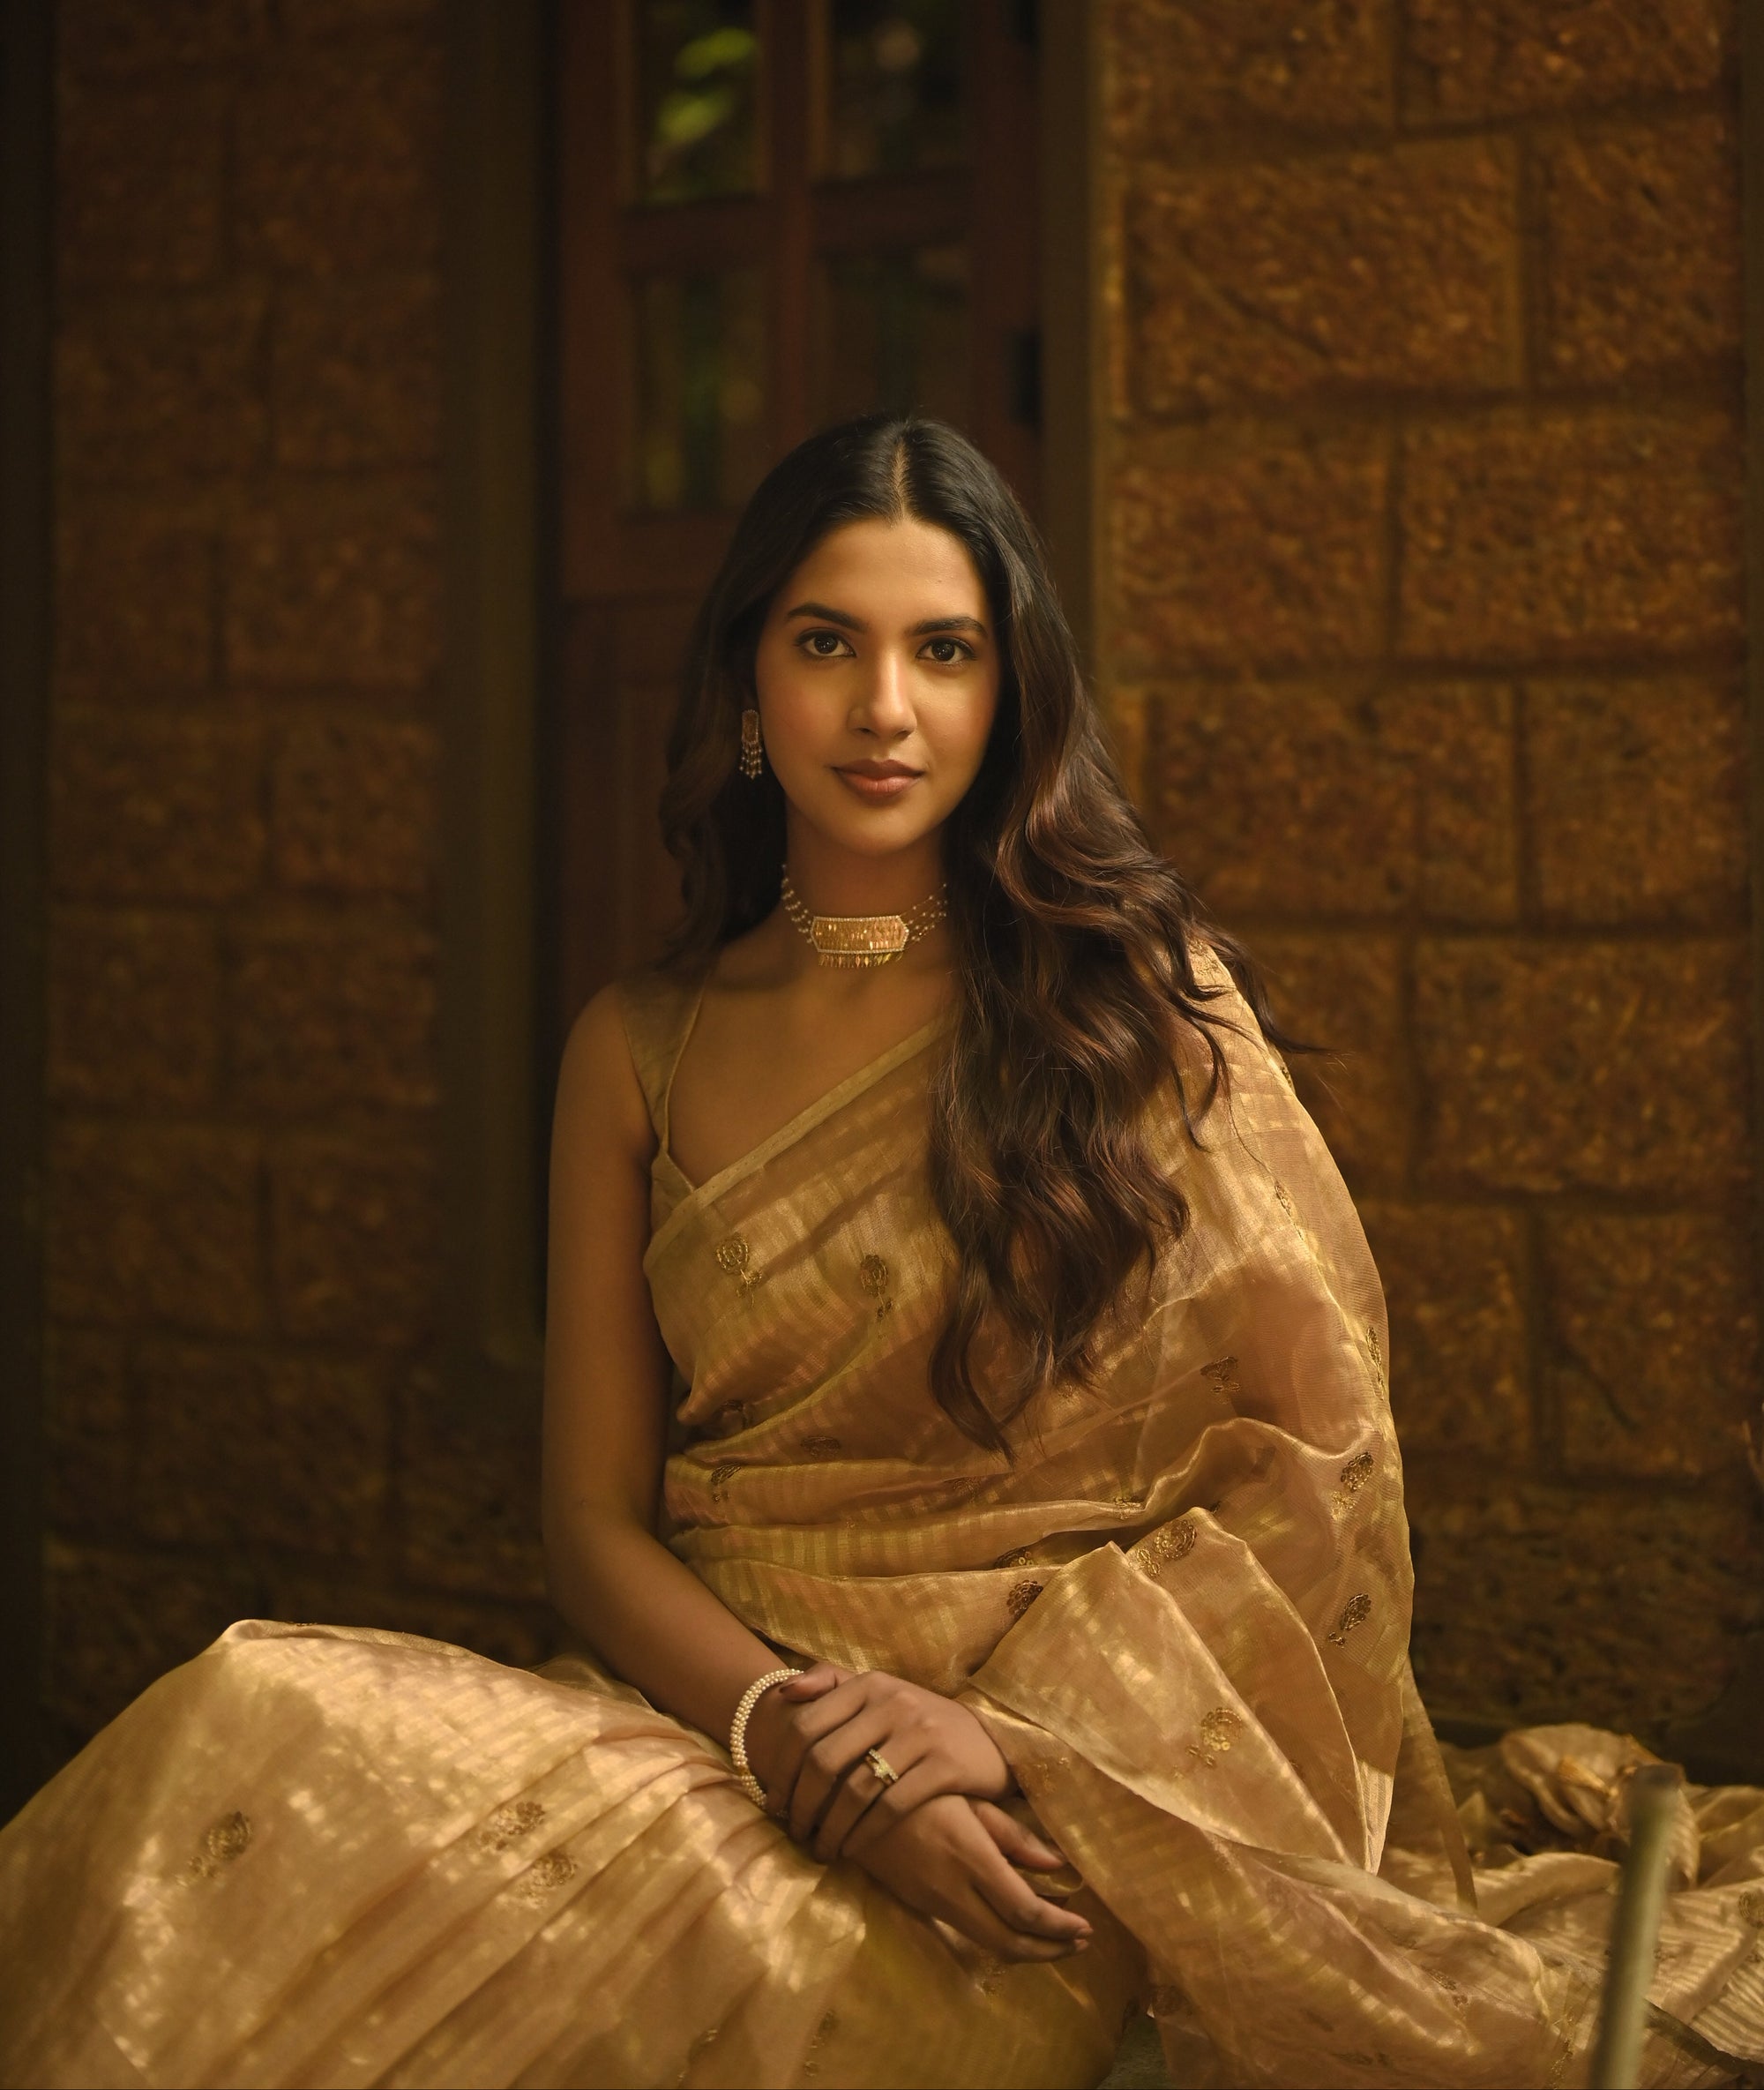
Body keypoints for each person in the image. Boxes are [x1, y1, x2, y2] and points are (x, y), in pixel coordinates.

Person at [1, 415, 1760, 2090]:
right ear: (749, 689)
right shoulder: (639, 1046)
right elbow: (596, 1520)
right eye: (828, 644)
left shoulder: (1132, 1016)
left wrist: (1000, 1739)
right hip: (715, 1728)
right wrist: (783, 1733)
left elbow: (1317, 1464)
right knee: (252, 1721)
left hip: (1043, 1799)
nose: (886, 705)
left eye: (947, 650)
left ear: (1010, 696)